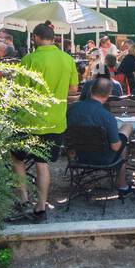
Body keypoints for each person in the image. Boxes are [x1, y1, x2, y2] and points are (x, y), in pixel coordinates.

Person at [9, 22, 79, 223]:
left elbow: (19, 91)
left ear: (36, 38)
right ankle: (41, 206)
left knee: (17, 159)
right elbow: (73, 89)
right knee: (42, 163)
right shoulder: (67, 59)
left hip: (27, 121)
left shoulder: (29, 59)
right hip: (55, 120)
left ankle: (23, 199)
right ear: (54, 38)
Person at [65, 77, 135, 195]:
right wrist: (124, 134)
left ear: (91, 90)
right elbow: (115, 147)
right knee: (124, 141)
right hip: (103, 158)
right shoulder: (107, 116)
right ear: (108, 94)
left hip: (79, 156)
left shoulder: (72, 109)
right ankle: (122, 185)